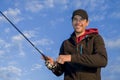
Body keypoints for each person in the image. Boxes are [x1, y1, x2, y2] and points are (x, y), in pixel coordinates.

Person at [44, 9, 108, 80]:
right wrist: (53, 65)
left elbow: (102, 60)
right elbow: (60, 71)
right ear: (72, 22)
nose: (78, 22)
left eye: (81, 19)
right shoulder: (65, 44)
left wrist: (71, 58)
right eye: (75, 19)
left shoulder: (96, 38)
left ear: (87, 22)